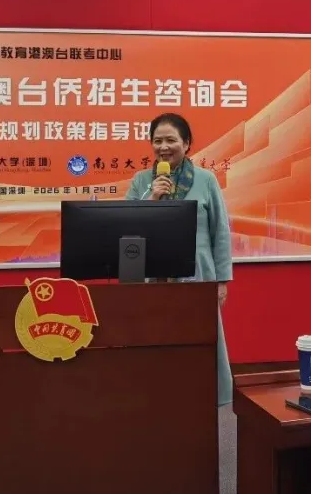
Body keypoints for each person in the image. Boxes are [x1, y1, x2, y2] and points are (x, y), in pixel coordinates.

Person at [124, 112, 234, 407]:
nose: (163, 147)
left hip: (198, 276)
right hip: (153, 280)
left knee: (200, 339)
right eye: (157, 140)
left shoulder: (206, 180)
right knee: (157, 338)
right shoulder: (141, 181)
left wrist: (222, 281)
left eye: (170, 140)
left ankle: (205, 398)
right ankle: (158, 398)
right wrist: (152, 199)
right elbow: (126, 227)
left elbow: (220, 232)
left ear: (186, 144)